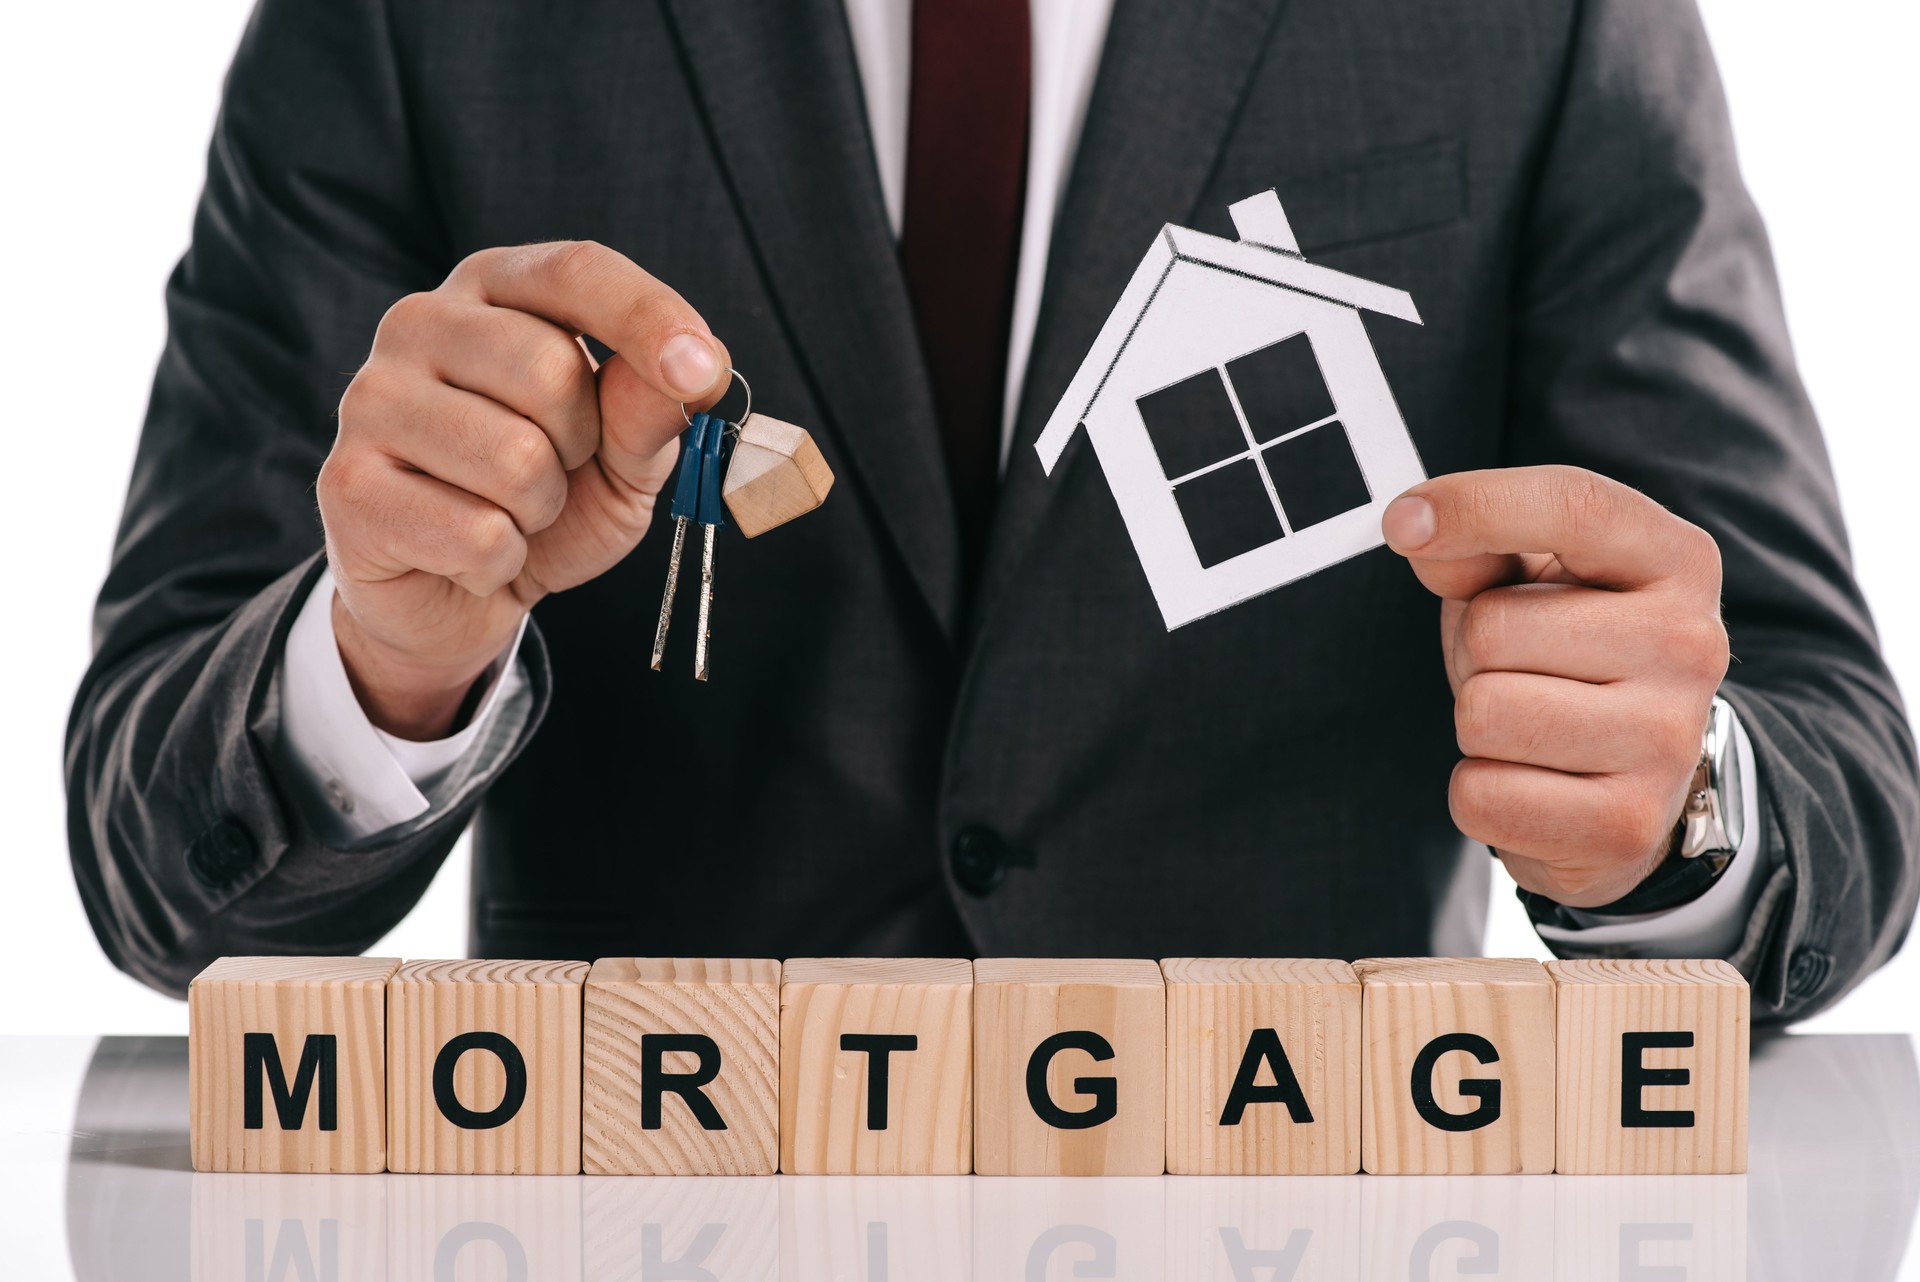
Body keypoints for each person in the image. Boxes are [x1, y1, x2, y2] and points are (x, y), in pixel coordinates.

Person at [66, 0, 1917, 1023]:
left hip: (1298, 1201)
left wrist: (1677, 811)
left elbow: (1837, 762)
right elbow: (149, 859)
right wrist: (377, 669)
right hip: (638, 1207)